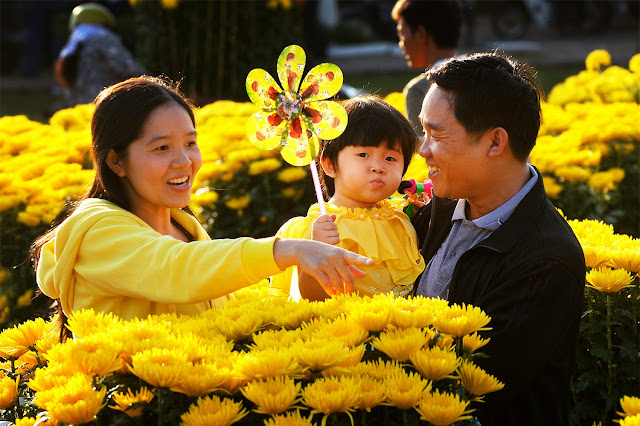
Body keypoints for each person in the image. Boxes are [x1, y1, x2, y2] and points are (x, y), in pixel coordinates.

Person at [30, 76, 373, 329]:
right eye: (161, 148)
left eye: (190, 143)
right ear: (116, 161)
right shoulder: (97, 230)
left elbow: (224, 306)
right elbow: (177, 268)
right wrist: (287, 251)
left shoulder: (185, 227)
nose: (184, 162)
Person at [411, 52, 586, 425]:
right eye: (422, 131)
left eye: (436, 134)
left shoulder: (546, 260)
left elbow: (469, 391)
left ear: (494, 143)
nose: (422, 149)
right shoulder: (436, 207)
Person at [270, 95, 425, 301]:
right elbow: (311, 298)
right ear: (330, 164)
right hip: (348, 327)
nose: (378, 167)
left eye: (390, 158)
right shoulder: (322, 227)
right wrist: (316, 249)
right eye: (363, 155)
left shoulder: (400, 217)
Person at [391, 0, 462, 137]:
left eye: (401, 34)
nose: (401, 45)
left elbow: (421, 154)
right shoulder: (485, 74)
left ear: (420, 34)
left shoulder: (420, 90)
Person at [54, 2, 145, 106]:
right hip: (105, 104)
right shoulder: (103, 38)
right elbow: (127, 68)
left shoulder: (72, 45)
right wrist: (150, 80)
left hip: (80, 109)